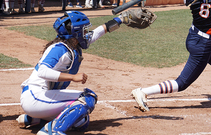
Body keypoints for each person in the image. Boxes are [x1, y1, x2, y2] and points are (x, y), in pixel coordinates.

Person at [16, 8, 156, 135]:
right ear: (76, 32)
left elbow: (97, 33)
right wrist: (72, 77)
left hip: (42, 100)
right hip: (35, 97)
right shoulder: (59, 49)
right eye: (84, 30)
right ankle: (51, 132)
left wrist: (120, 19)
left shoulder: (73, 44)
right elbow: (42, 72)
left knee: (81, 122)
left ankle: (34, 119)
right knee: (88, 98)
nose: (86, 32)